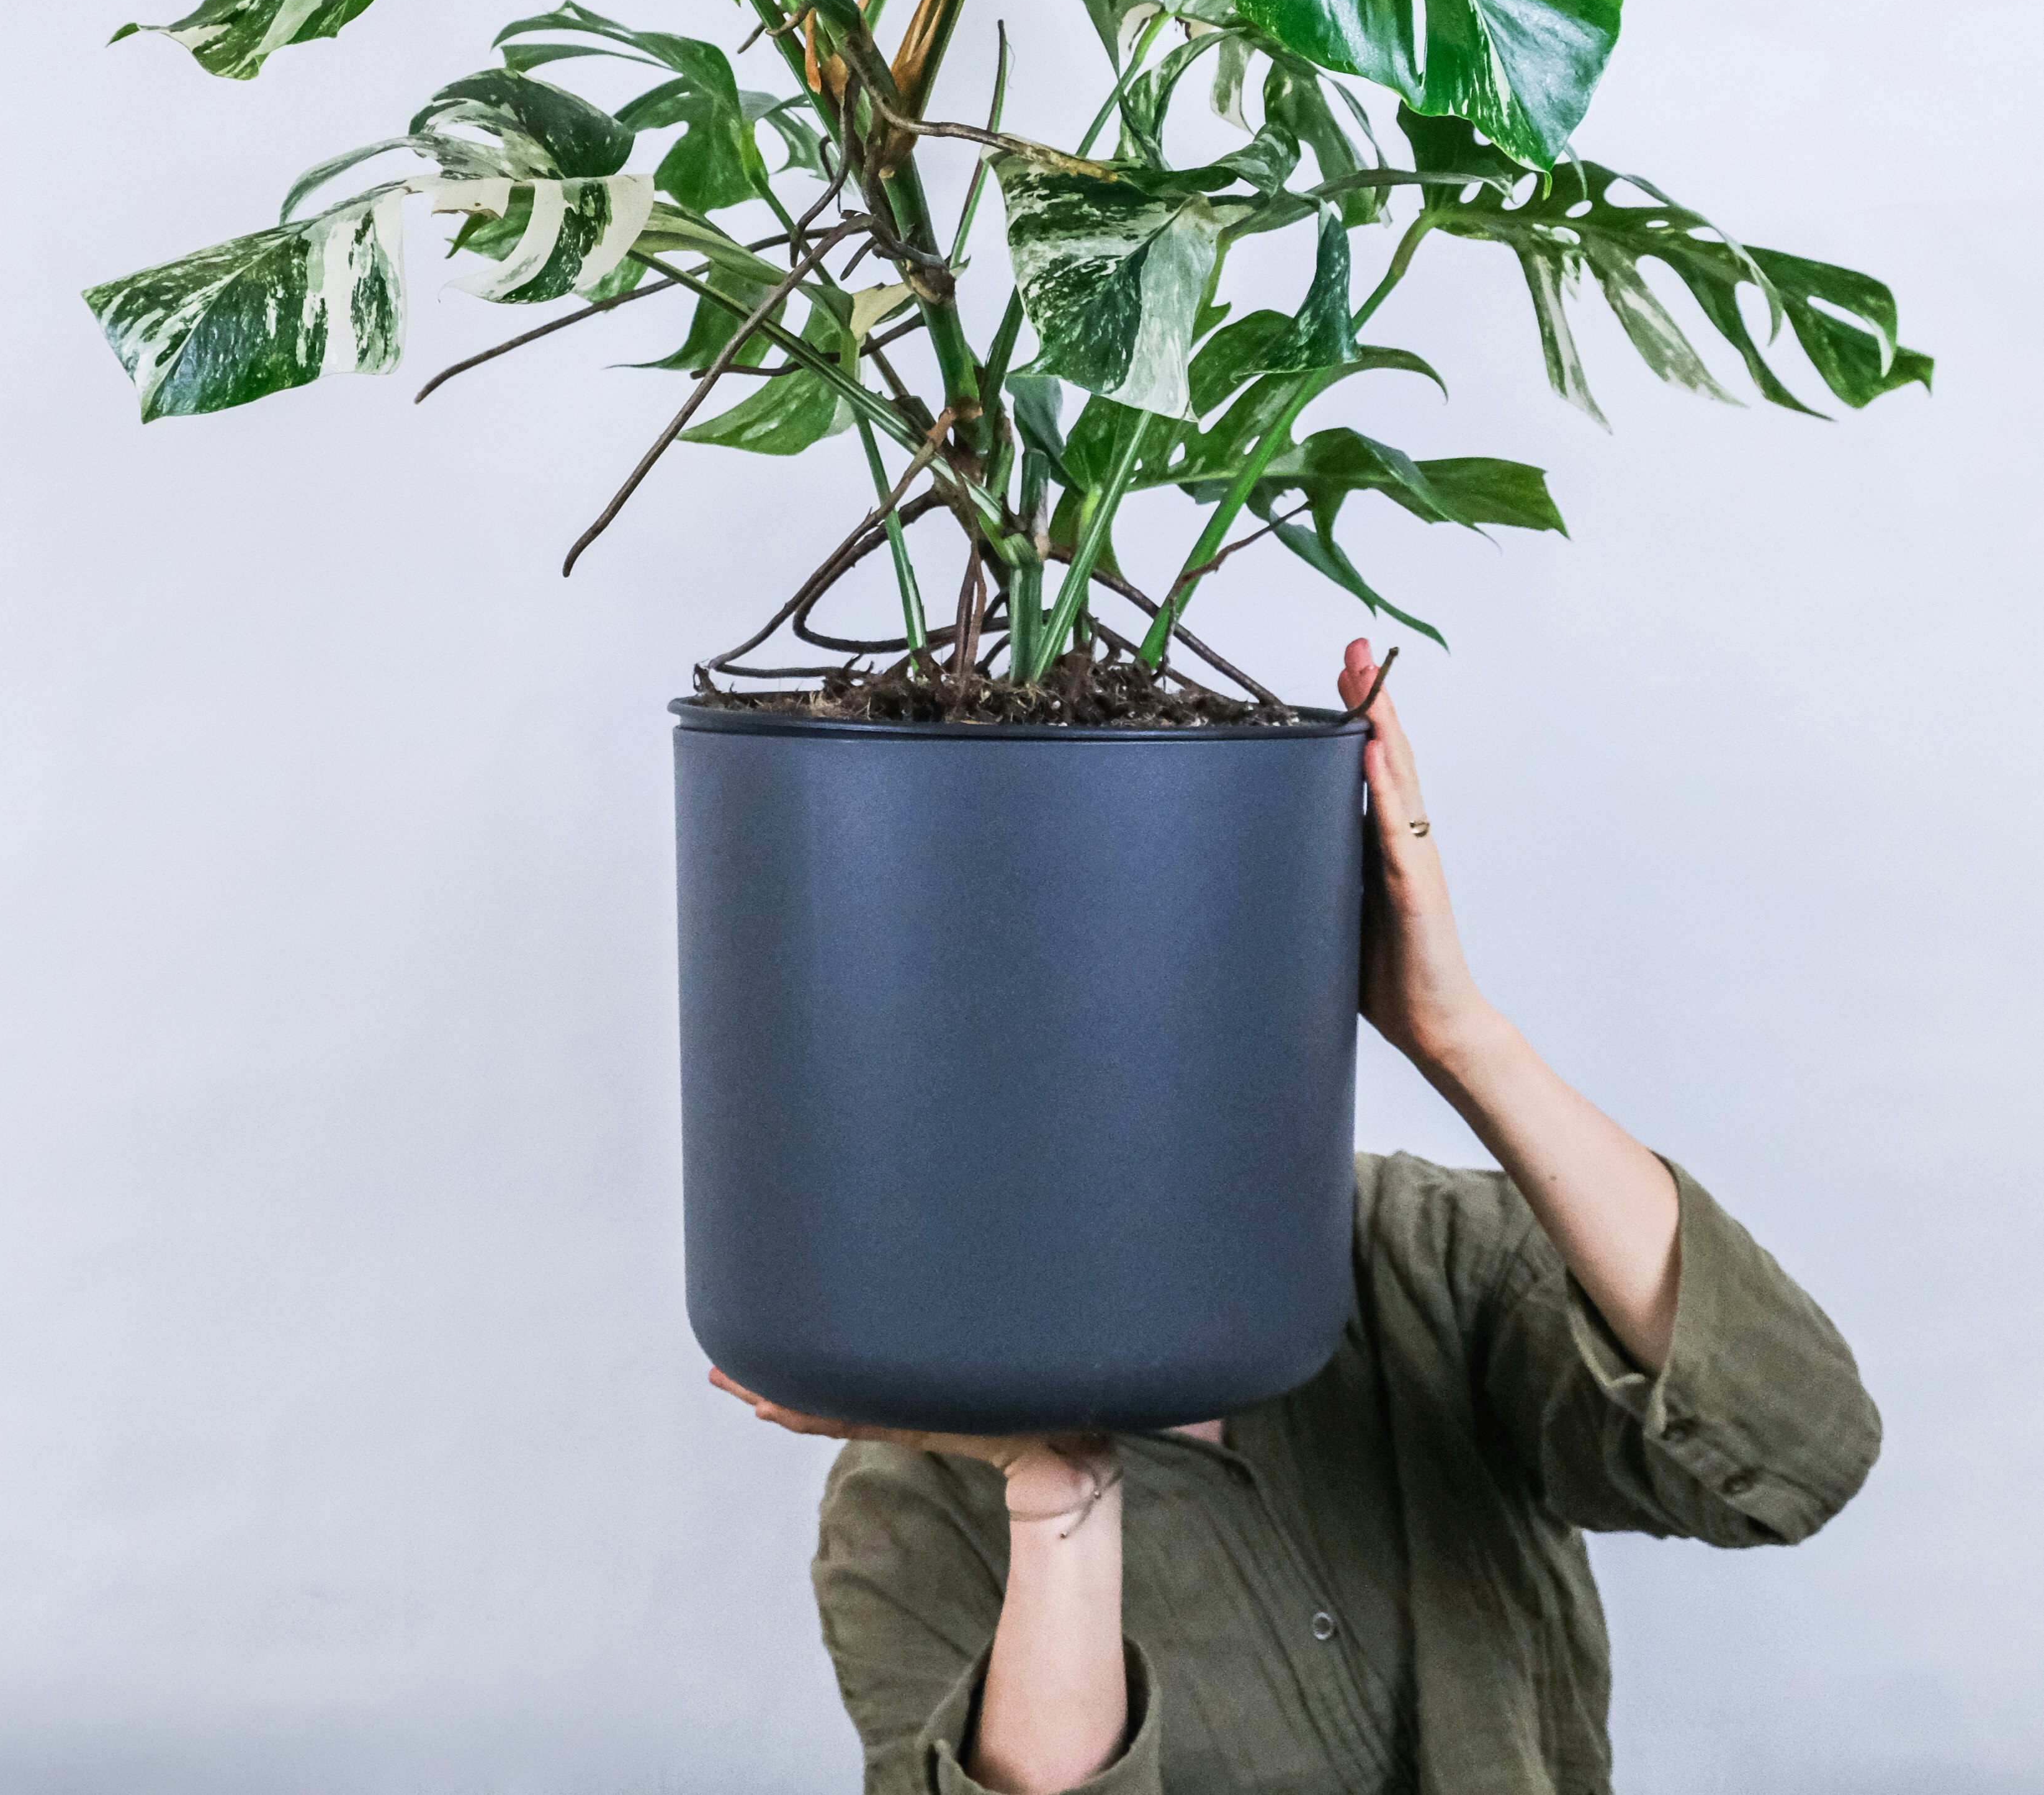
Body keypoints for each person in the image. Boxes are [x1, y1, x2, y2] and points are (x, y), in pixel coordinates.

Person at [712, 638, 1880, 1794]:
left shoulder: (1418, 1258)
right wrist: (1058, 1493)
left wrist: (1458, 1037)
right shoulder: (907, 1510)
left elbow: (1791, 1456)